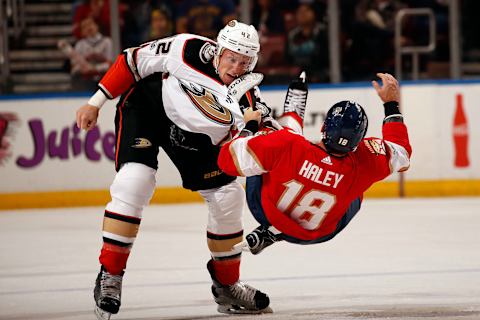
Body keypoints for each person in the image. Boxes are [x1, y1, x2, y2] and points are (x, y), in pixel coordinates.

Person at [76, 20, 282, 319]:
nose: (237, 67)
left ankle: (226, 285)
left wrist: (260, 130)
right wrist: (95, 103)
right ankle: (110, 275)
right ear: (218, 51)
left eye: (245, 61)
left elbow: (247, 144)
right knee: (134, 182)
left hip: (194, 135)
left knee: (227, 197)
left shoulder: (249, 97)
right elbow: (131, 61)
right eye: (232, 58)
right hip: (147, 109)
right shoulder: (185, 49)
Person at [217, 73, 411, 256]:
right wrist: (391, 104)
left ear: (322, 127)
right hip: (321, 232)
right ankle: (275, 233)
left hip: (264, 210)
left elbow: (226, 161)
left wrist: (250, 126)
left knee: (268, 142)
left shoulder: (289, 143)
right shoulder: (366, 161)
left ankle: (284, 114)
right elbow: (402, 155)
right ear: (358, 142)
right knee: (356, 193)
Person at [58, 17, 114, 91]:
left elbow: (111, 64)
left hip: (103, 78)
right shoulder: (80, 44)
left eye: (90, 24)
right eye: (85, 26)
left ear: (96, 26)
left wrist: (95, 68)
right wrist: (83, 68)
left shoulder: (107, 42)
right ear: (82, 31)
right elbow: (74, 67)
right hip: (85, 80)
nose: (89, 27)